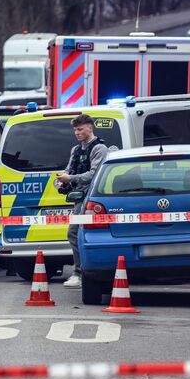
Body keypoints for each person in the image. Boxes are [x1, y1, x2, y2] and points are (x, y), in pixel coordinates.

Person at [55, 114, 108, 289]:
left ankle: (81, 272)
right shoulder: (76, 150)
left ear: (90, 128)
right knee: (75, 233)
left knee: (77, 233)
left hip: (93, 198)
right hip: (79, 198)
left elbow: (94, 174)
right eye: (75, 130)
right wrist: (61, 180)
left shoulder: (99, 148)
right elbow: (69, 169)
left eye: (80, 129)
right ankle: (82, 272)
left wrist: (70, 178)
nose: (77, 133)